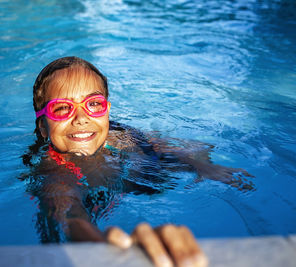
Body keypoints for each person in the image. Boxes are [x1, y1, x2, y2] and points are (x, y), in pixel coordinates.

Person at [21, 56, 253, 267]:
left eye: (94, 104)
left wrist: (203, 166)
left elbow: (159, 149)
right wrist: (102, 249)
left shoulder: (118, 137)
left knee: (186, 152)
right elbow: (68, 214)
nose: (82, 118)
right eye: (62, 108)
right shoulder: (54, 173)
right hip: (110, 185)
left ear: (107, 112)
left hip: (134, 166)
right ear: (43, 127)